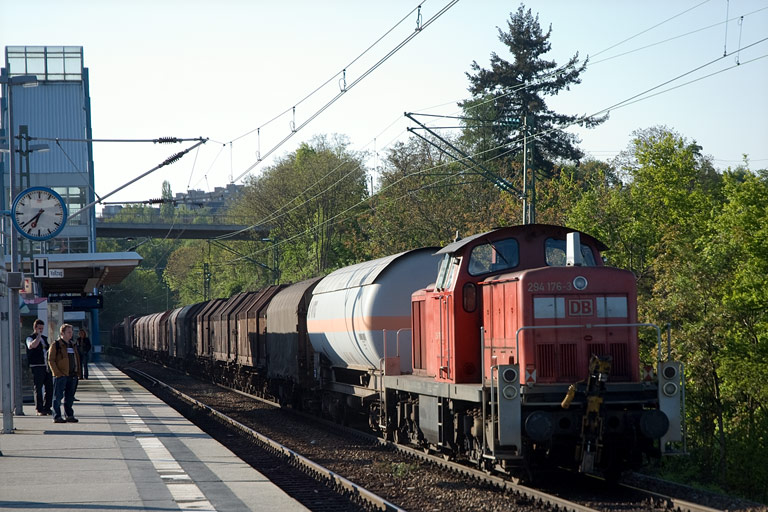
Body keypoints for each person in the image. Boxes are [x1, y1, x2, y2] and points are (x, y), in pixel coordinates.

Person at [48, 323, 82, 423]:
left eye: (71, 332)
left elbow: (76, 359)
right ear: (62, 333)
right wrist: (57, 373)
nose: (71, 334)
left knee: (69, 397)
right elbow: (51, 360)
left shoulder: (73, 345)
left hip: (72, 375)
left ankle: (69, 415)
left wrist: (78, 372)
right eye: (68, 332)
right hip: (61, 375)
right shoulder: (56, 345)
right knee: (57, 397)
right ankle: (57, 416)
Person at [25, 319, 53, 416]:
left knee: (49, 387)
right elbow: (32, 346)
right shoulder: (30, 338)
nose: (41, 330)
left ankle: (47, 407)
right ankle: (39, 409)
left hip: (46, 365)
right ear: (35, 328)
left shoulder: (45, 339)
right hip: (37, 365)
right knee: (38, 387)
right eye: (39, 328)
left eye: (42, 328)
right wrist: (38, 336)